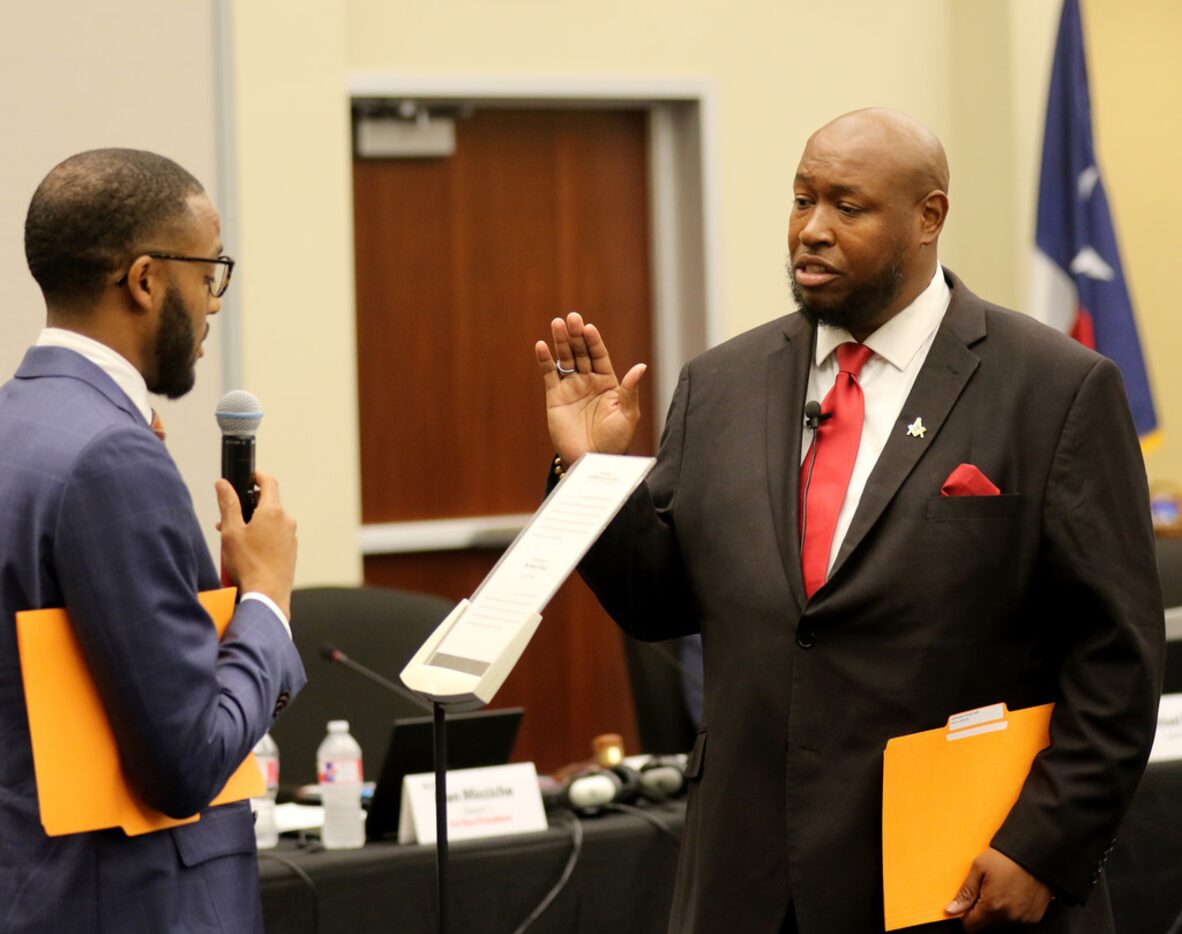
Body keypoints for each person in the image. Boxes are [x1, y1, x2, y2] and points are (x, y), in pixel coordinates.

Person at [534, 109, 1164, 933]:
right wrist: (593, 477)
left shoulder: (1053, 389)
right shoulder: (723, 382)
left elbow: (1118, 658)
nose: (812, 231)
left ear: (929, 216)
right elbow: (661, 604)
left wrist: (1045, 845)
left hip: (955, 878)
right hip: (749, 879)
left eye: (847, 207)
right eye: (802, 201)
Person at [0, 149, 306, 933]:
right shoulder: (110, 455)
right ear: (144, 280)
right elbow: (186, 762)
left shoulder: (20, 426)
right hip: (127, 903)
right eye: (209, 276)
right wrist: (266, 599)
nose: (213, 305)